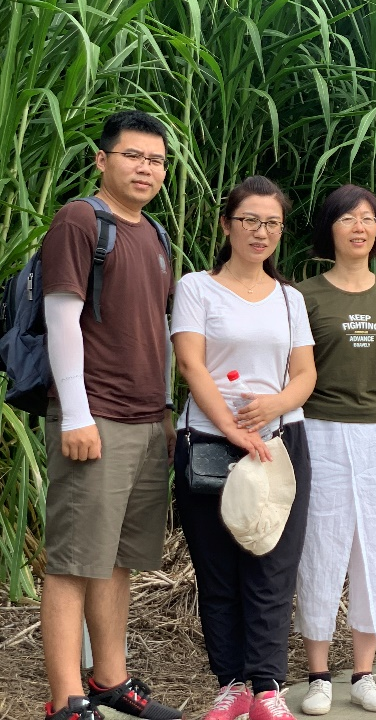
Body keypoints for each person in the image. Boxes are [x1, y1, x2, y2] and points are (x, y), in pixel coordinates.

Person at [39, 111, 182, 720]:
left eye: (156, 161)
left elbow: (160, 332)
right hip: (95, 418)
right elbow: (61, 318)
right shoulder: (81, 220)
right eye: (133, 156)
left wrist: (166, 414)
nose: (146, 169)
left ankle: (110, 681)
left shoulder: (154, 234)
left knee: (117, 559)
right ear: (103, 160)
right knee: (74, 561)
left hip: (146, 420)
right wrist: (76, 414)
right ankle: (66, 699)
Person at [171, 176, 316, 720]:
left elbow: (306, 374)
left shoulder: (290, 298)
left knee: (273, 563)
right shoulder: (197, 287)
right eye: (249, 220)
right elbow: (190, 364)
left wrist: (275, 404)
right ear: (226, 224)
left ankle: (267, 687)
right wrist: (232, 428)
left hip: (279, 441)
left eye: (272, 223)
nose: (260, 232)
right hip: (210, 441)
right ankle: (230, 684)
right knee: (218, 567)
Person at [295, 185, 376, 714]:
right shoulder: (303, 295)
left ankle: (364, 673)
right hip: (321, 430)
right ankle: (318, 675)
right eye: (348, 218)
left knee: (373, 547)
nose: (360, 227)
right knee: (320, 546)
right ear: (330, 228)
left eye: (369, 218)